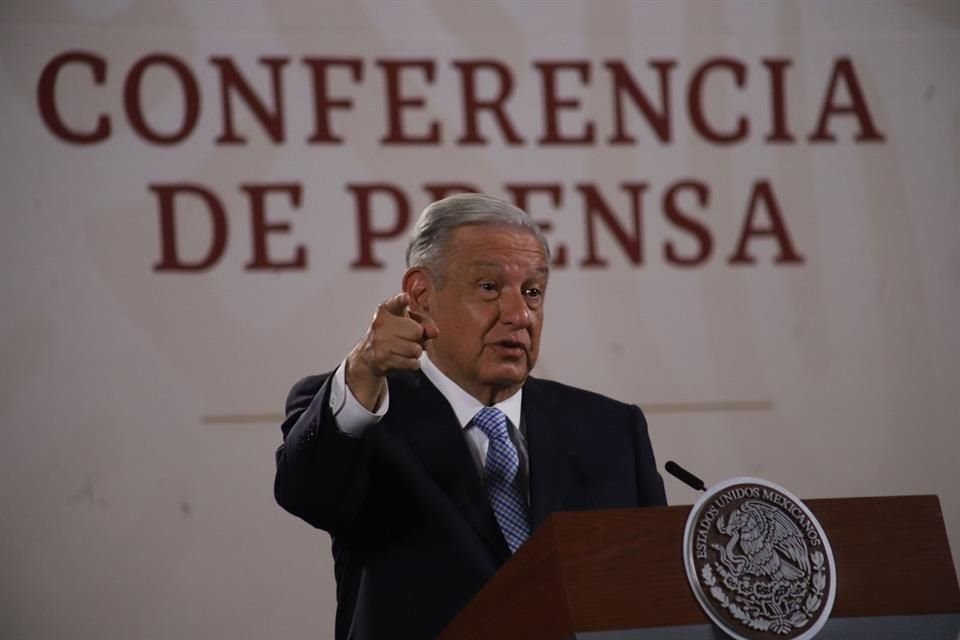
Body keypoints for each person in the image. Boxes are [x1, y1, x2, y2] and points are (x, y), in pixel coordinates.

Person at [274, 193, 666, 640]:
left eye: (532, 292)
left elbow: (652, 597)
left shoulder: (611, 429)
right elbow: (306, 493)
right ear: (421, 296)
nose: (519, 315)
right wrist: (363, 369)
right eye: (488, 288)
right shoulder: (364, 411)